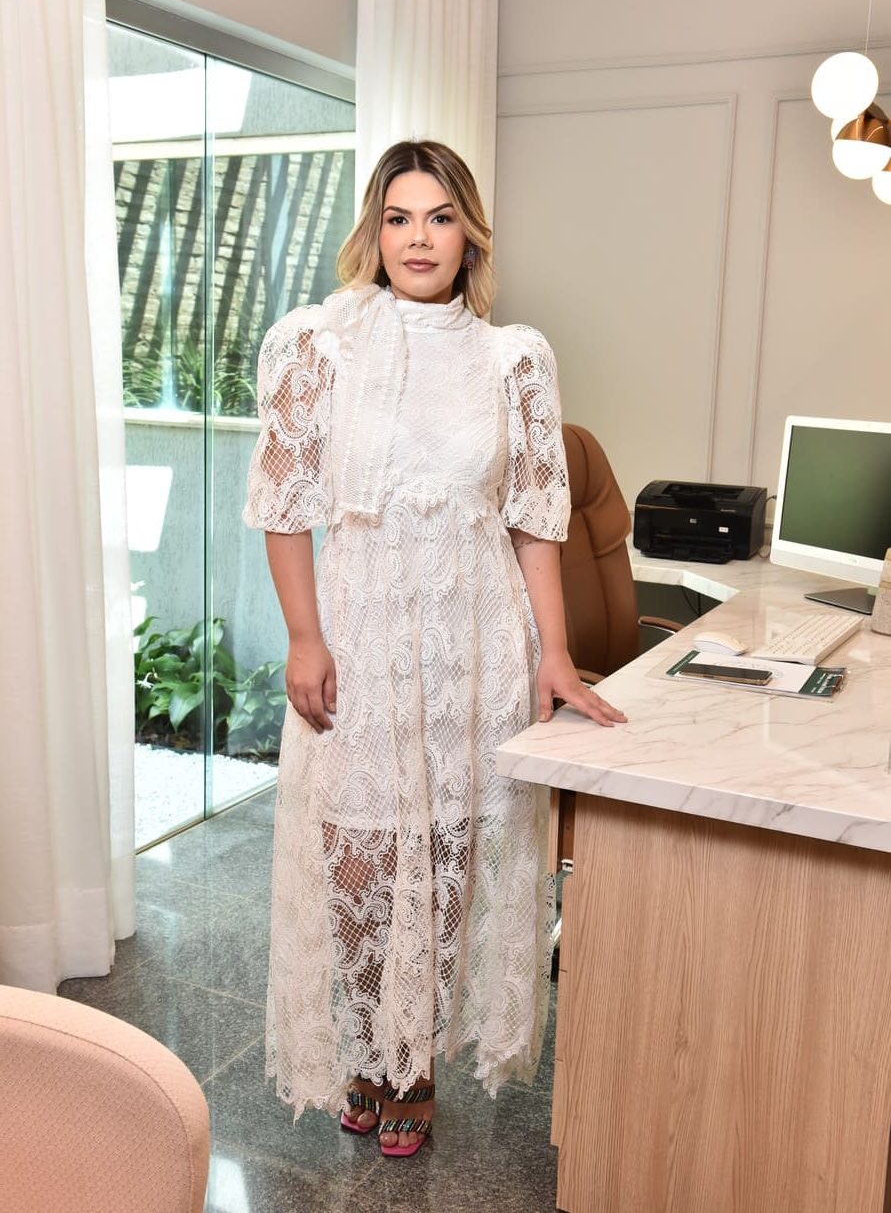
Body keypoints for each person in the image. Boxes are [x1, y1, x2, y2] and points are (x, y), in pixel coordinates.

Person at [242, 139, 625, 1156]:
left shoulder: (515, 358)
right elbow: (284, 506)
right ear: (375, 232)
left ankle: (411, 1069)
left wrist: (553, 654)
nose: (419, 238)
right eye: (400, 217)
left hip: (473, 635)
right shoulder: (317, 343)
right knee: (358, 858)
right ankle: (368, 1045)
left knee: (448, 852)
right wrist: (304, 638)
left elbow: (536, 522)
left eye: (440, 217)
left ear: (469, 236)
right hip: (360, 630)